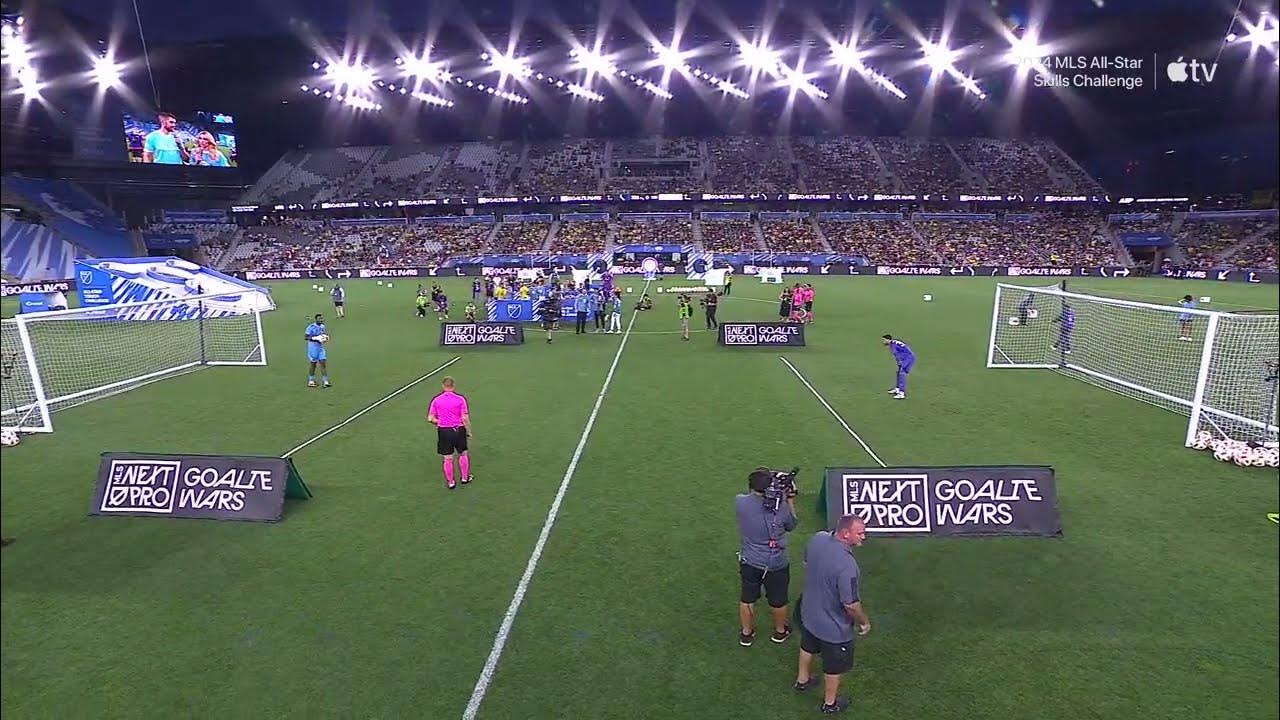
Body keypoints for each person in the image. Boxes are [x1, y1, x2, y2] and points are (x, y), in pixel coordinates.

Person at [793, 515, 871, 715]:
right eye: (860, 533)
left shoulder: (818, 538)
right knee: (834, 665)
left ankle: (802, 680)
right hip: (833, 628)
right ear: (845, 534)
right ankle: (830, 704)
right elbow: (850, 604)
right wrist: (863, 622)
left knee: (808, 644)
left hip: (809, 612)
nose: (864, 536)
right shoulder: (847, 565)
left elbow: (806, 563)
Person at [736, 468, 798, 647]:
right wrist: (789, 500)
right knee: (778, 600)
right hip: (775, 563)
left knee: (747, 598)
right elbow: (792, 524)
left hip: (749, 560)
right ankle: (780, 631)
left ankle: (746, 634)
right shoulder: (781, 509)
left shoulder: (740, 502)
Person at [426, 376, 472, 490]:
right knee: (463, 454)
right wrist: (468, 431)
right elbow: (465, 418)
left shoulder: (436, 400)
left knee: (447, 458)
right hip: (458, 429)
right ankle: (464, 478)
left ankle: (451, 482)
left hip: (444, 431)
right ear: (453, 386)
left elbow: (430, 418)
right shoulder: (460, 399)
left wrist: (440, 422)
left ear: (443, 386)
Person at [882, 334, 914, 400]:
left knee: (902, 373)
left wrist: (900, 362)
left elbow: (896, 354)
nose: (883, 341)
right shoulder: (894, 342)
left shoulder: (893, 345)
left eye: (884, 340)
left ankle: (901, 393)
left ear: (888, 339)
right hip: (906, 357)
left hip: (907, 358)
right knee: (899, 372)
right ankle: (897, 389)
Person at [304, 313, 330, 388]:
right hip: (313, 347)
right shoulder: (311, 327)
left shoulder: (322, 326)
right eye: (319, 319)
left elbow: (323, 335)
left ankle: (325, 381)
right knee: (313, 364)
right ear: (316, 319)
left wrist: (325, 337)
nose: (321, 320)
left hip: (320, 347)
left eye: (322, 318)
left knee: (323, 362)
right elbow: (306, 337)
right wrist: (315, 338)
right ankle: (311, 381)